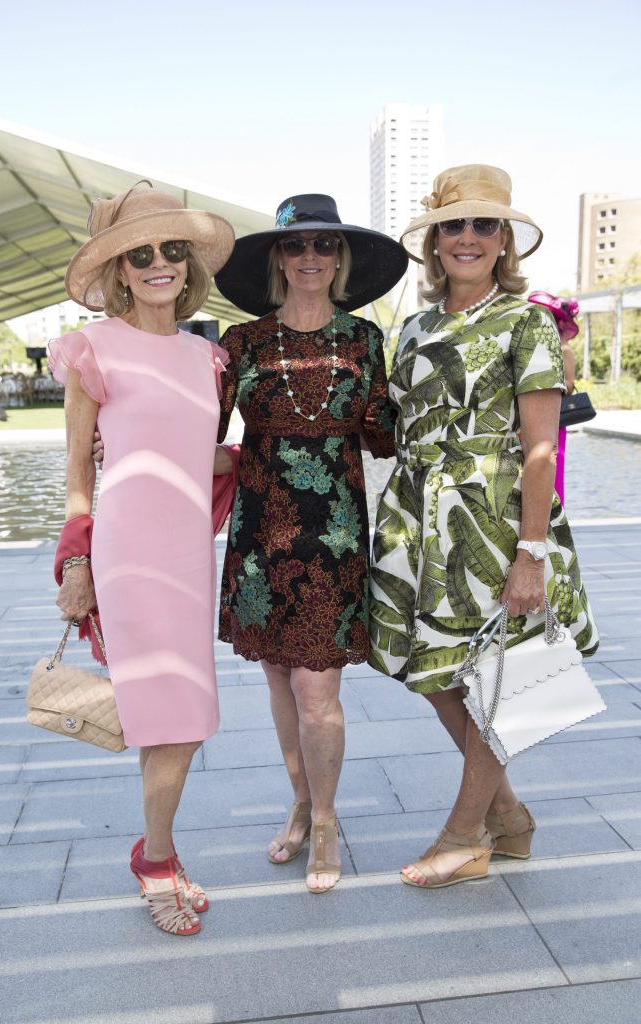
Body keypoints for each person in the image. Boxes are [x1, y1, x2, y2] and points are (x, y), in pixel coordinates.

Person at [368, 165, 598, 888]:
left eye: (482, 225)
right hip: (415, 520)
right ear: (434, 243)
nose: (466, 238)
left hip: (494, 522)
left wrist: (530, 553)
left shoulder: (524, 319)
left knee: (500, 676)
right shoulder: (412, 326)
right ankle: (509, 817)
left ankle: (464, 833)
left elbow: (538, 448)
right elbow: (390, 425)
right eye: (452, 226)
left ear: (504, 241)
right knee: (438, 674)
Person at [49, 181, 236, 935]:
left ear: (187, 266)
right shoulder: (91, 349)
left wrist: (260, 456)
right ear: (120, 271)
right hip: (127, 556)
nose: (158, 263)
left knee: (169, 718)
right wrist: (75, 564)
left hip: (190, 554)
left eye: (171, 251)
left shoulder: (207, 356)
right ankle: (156, 861)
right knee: (178, 718)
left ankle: (155, 849)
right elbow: (76, 474)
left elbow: (199, 455)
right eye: (140, 254)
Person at [214, 195, 408, 892]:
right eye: (295, 248)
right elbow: (202, 434)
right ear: (277, 259)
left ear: (340, 259)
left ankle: (324, 819)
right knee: (278, 680)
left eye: (324, 246)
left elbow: (386, 434)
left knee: (316, 689)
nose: (309, 258)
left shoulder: (366, 340)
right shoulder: (241, 343)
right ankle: (299, 801)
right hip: (261, 533)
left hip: (333, 534)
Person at [529, 292, 579, 504]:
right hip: (529, 413)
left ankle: (553, 515)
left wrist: (548, 381)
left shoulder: (563, 349)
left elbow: (570, 385)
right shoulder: (529, 346)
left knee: (552, 464)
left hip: (553, 416)